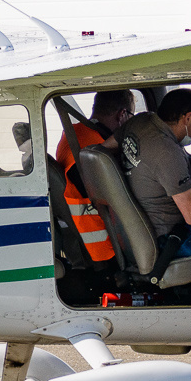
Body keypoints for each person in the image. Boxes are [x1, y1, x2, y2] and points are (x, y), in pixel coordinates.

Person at [117, 88, 191, 259]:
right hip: (171, 238)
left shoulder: (139, 122)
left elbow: (105, 147)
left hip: (148, 225)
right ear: (188, 118)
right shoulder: (167, 153)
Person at [51, 89, 135, 264]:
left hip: (87, 237)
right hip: (106, 246)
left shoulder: (75, 134)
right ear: (123, 115)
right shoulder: (98, 151)